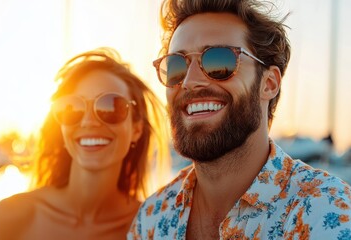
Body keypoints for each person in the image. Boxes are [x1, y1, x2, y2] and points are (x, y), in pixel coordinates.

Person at [128, 0, 351, 239]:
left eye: (218, 61)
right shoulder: (152, 218)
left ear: (269, 83)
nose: (190, 81)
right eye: (176, 66)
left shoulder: (326, 212)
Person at [0, 48, 171, 240]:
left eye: (110, 106)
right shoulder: (11, 217)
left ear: (136, 129)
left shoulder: (151, 227)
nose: (88, 121)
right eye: (73, 108)